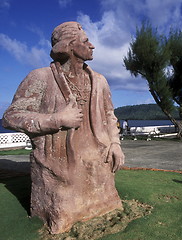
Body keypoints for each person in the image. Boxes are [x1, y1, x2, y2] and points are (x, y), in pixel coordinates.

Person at [2, 22, 124, 234]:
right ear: (69, 46)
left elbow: (109, 115)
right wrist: (57, 119)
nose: (92, 45)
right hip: (60, 165)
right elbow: (11, 117)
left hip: (98, 158)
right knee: (63, 213)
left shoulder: (100, 81)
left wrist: (115, 143)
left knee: (108, 202)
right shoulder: (40, 78)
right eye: (86, 41)